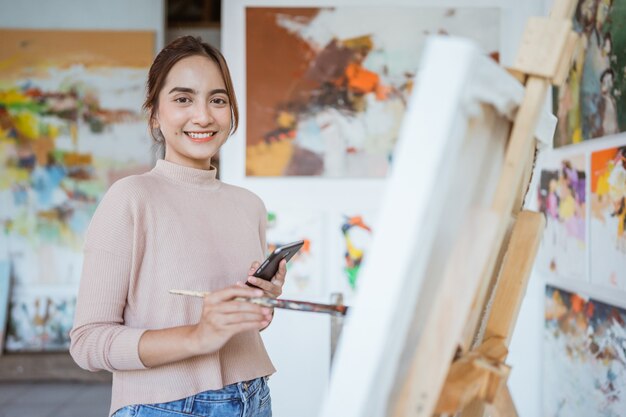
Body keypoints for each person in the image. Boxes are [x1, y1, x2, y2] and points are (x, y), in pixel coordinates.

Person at [69, 36, 285, 417]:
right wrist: (198, 336)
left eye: (218, 100)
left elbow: (239, 328)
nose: (203, 116)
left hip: (255, 398)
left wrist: (261, 302)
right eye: (183, 99)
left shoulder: (250, 205)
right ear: (154, 113)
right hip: (165, 407)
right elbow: (88, 343)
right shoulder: (130, 198)